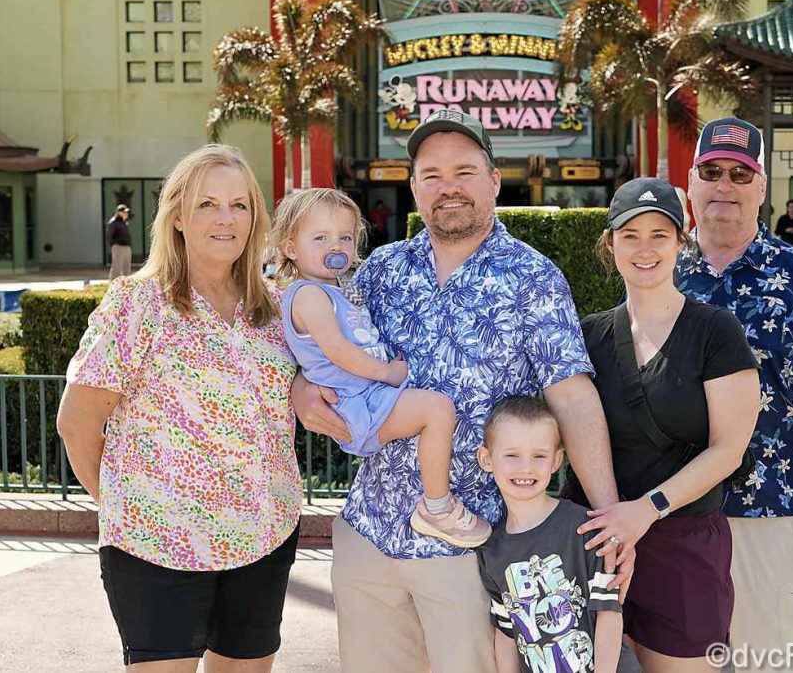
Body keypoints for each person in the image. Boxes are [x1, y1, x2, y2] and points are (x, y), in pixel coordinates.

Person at [291, 109, 624, 673]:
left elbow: (571, 395)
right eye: (432, 174)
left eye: (465, 171)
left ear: (495, 181)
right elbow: (323, 347)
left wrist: (609, 515)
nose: (449, 187)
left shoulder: (533, 278)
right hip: (370, 533)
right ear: (415, 186)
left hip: (474, 550)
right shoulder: (380, 271)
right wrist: (301, 386)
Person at [57, 145, 303, 672]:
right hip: (158, 545)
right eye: (208, 204)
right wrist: (128, 506)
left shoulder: (278, 307)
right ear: (176, 219)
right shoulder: (136, 304)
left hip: (265, 533)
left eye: (240, 205)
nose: (225, 218)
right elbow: (77, 425)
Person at [679, 117, 793, 672]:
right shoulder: (657, 270)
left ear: (762, 190)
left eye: (741, 174)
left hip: (772, 519)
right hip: (676, 520)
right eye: (712, 171)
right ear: (691, 182)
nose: (724, 186)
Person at [564, 177, 761, 672]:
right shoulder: (587, 335)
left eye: (659, 234)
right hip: (596, 542)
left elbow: (728, 450)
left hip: (683, 544)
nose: (645, 248)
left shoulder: (715, 330)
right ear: (611, 244)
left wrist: (646, 510)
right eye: (630, 235)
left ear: (681, 240)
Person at [273, 187, 490, 547]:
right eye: (321, 237)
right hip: (356, 401)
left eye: (344, 237)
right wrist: (387, 372)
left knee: (433, 412)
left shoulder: (337, 290)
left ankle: (434, 503)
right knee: (437, 409)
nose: (336, 246)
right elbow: (339, 351)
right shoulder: (309, 295)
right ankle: (436, 508)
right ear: (291, 247)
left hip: (366, 397)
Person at [476, 395, 636, 673]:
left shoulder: (583, 527)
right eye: (512, 455)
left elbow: (609, 615)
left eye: (539, 456)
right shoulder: (492, 550)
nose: (525, 467)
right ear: (487, 459)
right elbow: (506, 633)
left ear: (556, 461)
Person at [107, 203, 133, 280]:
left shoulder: (124, 222)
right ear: (119, 212)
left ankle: (125, 284)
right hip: (118, 247)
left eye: (126, 212)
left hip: (127, 247)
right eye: (124, 212)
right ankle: (113, 284)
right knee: (117, 267)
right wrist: (114, 245)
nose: (126, 214)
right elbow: (109, 236)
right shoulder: (113, 222)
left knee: (126, 267)